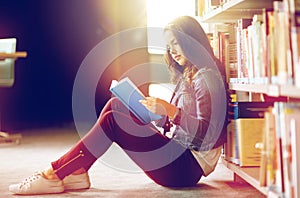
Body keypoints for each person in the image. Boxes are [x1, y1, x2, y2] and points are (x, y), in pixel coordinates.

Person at [9, 15, 229, 195]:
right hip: (179, 155)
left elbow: (209, 135)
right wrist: (154, 114)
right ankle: (76, 170)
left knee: (114, 119)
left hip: (186, 168)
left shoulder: (205, 77)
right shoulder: (188, 75)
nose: (171, 50)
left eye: (176, 43)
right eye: (168, 45)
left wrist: (170, 111)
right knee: (117, 105)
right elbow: (181, 125)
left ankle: (54, 173)